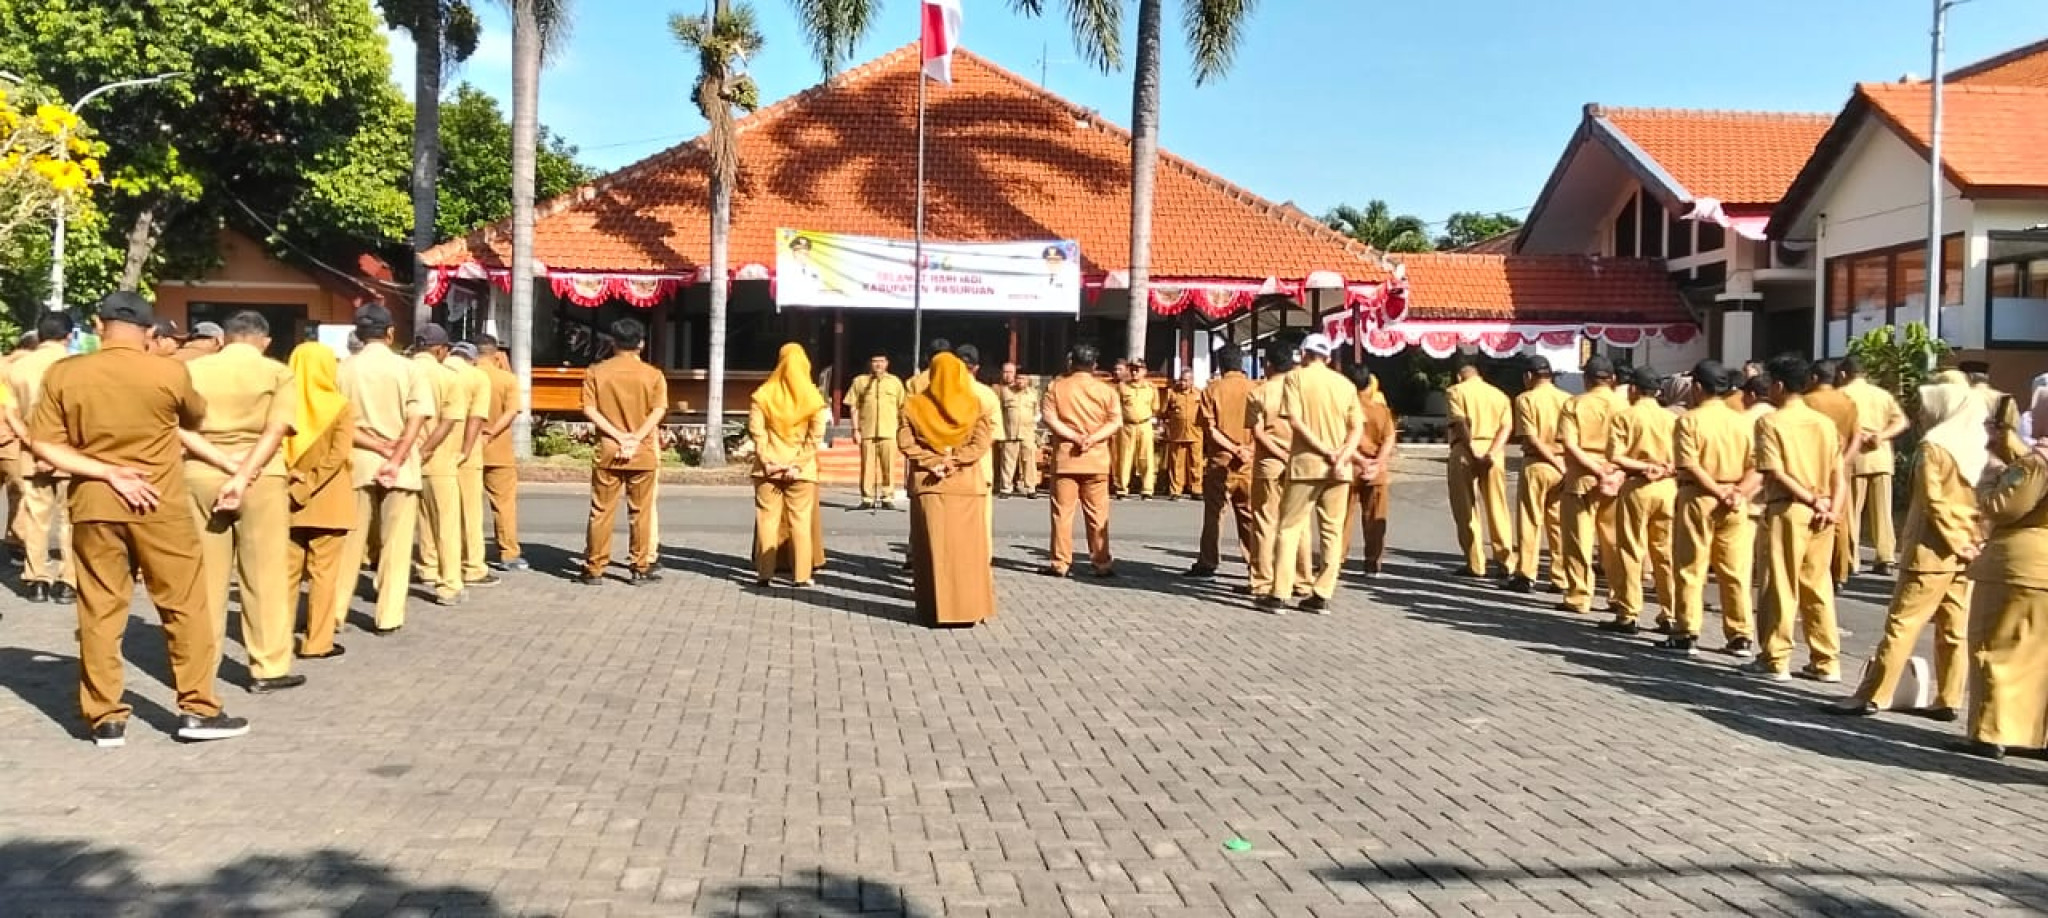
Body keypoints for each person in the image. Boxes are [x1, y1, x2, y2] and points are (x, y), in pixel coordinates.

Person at [30, 291, 249, 746]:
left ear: (98, 324)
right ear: (149, 331)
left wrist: (107, 471)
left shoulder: (64, 374)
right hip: (160, 505)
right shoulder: (168, 371)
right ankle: (198, 709)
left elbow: (45, 445)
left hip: (95, 504)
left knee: (100, 611)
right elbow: (195, 418)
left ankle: (105, 717)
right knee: (184, 607)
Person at [1826, 371, 1985, 719]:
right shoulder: (1978, 443)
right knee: (1954, 629)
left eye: (1928, 406)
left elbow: (1933, 501)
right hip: (1967, 552)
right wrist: (1974, 540)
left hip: (1931, 550)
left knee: (1902, 624)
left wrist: (1955, 541)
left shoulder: (1934, 447)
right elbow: (1989, 499)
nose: (1923, 414)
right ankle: (1949, 699)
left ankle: (1873, 695)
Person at [181, 311, 300, 693]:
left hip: (201, 472)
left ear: (224, 339)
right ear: (264, 341)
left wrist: (222, 462)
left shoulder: (193, 370)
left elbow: (177, 427)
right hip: (262, 476)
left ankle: (201, 667)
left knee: (204, 578)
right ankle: (268, 667)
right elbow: (277, 429)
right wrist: (244, 472)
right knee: (265, 574)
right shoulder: (277, 372)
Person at [1748, 353, 1847, 683]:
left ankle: (1775, 657)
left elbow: (1775, 472)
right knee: (1817, 585)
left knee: (1781, 583)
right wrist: (1832, 508)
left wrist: (1810, 500)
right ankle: (1826, 659)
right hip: (1823, 512)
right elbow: (1838, 474)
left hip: (1790, 508)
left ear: (1778, 385)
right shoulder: (1824, 424)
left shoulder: (1770, 422)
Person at [335, 305, 430, 634]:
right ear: (390, 332)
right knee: (397, 545)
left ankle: (335, 612)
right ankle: (388, 616)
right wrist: (396, 456)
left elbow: (338, 422)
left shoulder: (342, 370)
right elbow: (417, 418)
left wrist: (375, 446)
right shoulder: (409, 369)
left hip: (357, 461)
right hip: (400, 466)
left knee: (348, 543)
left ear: (358, 334)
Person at [1958, 413, 2048, 759]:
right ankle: (2032, 734)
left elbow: (2003, 507)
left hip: (2016, 565)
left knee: (1993, 648)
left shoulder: (2036, 463)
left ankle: (1990, 731)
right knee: (2037, 658)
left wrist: (1988, 479)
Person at [1265, 334, 1364, 614]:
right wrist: (1341, 455)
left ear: (1303, 354)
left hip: (1306, 465)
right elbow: (1357, 428)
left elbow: (1295, 422)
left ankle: (1280, 593)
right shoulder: (1345, 384)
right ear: (1328, 357)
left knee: (1289, 528)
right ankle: (1322, 593)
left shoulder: (1295, 378)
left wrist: (1324, 450)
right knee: (1332, 531)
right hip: (1339, 468)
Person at [1668, 360, 1760, 658]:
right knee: (1735, 569)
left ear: (1697, 387)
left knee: (1691, 566)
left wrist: (1716, 490)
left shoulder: (1689, 421)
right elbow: (1758, 466)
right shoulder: (1743, 422)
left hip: (1699, 497)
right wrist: (1738, 492)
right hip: (1735, 500)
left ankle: (1687, 631)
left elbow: (1689, 464)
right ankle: (1740, 634)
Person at [899, 352, 996, 626]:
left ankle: (934, 610)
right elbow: (981, 443)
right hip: (966, 485)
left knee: (933, 551)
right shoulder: (974, 404)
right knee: (968, 552)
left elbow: (905, 443)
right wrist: (955, 461)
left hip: (929, 485)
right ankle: (970, 610)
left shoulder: (913, 405)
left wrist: (933, 462)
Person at [282, 340, 356, 663]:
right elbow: (338, 455)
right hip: (329, 499)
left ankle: (278, 640)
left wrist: (292, 480)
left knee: (286, 575)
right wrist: (310, 484)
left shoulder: (281, 404)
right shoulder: (340, 406)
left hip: (287, 500)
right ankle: (318, 642)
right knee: (324, 575)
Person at [579, 318, 667, 586]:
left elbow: (589, 409)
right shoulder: (653, 375)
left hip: (608, 450)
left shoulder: (596, 372)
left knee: (601, 510)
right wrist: (635, 438)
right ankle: (640, 566)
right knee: (640, 512)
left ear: (613, 342)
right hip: (642, 452)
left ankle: (595, 567)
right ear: (641, 344)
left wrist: (617, 436)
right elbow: (659, 410)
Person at [1600, 365, 1680, 635]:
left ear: (1633, 389)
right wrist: (1664, 469)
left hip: (1637, 486)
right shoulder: (1671, 419)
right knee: (1665, 552)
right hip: (1667, 487)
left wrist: (1645, 467)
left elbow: (1615, 456)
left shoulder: (1625, 417)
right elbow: (1681, 457)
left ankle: (1629, 612)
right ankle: (1670, 613)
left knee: (1631, 550)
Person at [747, 342, 827, 587]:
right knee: (800, 523)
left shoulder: (762, 395)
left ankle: (764, 574)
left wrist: (768, 461)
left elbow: (757, 432)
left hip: (767, 469)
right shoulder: (814, 398)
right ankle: (801, 576)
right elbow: (815, 437)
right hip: (801, 471)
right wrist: (797, 465)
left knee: (767, 521)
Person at [10, 312, 77, 603]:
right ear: (69, 335)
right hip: (69, 452)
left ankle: (37, 578)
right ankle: (68, 580)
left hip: (31, 452)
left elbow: (11, 413)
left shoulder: (16, 368)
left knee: (36, 517)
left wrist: (35, 445)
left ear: (39, 335)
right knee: (70, 518)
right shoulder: (76, 366)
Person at [1041, 344, 1120, 578]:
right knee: (1098, 514)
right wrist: (1092, 439)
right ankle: (1101, 562)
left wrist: (1074, 437)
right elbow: (1115, 422)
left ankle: (1060, 562)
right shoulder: (1106, 391)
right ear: (1094, 365)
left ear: (1070, 362)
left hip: (1066, 458)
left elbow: (1049, 418)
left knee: (1062, 514)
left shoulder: (1056, 387)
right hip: (1096, 459)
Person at [1556, 356, 1628, 615]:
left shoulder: (1574, 404)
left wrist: (1595, 469)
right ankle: (1619, 595)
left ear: (1586, 379)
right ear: (1613, 379)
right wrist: (1612, 471)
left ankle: (1579, 596)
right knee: (1615, 541)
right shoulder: (1624, 406)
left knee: (1578, 541)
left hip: (1581, 478)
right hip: (1616, 477)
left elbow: (1570, 445)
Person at [1249, 342, 1314, 599]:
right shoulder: (1304, 392)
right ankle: (1302, 580)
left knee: (1265, 522)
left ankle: (1262, 581)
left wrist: (1279, 454)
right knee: (1300, 523)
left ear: (1268, 364)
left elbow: (1257, 433)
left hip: (1269, 464)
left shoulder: (1259, 393)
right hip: (1299, 462)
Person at [409, 324, 468, 606]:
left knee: (416, 521)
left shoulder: (403, 371)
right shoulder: (448, 377)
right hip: (438, 460)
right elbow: (449, 421)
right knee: (445, 524)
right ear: (440, 349)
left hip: (400, 457)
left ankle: (426, 568)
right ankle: (449, 585)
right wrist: (426, 449)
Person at [1188, 348, 1257, 579]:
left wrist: (1233, 449)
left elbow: (1210, 429)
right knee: (1249, 515)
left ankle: (1208, 562)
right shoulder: (1256, 389)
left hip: (1221, 462)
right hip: (1249, 463)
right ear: (1241, 364)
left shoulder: (1212, 390)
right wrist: (1248, 449)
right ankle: (1255, 564)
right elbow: (1265, 428)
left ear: (1220, 365)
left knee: (1215, 514)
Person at [1838, 356, 1910, 575]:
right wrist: (1881, 435)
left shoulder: (1842, 395)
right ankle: (1886, 557)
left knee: (1851, 512)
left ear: (1843, 374)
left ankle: (1851, 558)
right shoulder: (1882, 395)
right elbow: (1902, 421)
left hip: (1854, 457)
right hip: (1881, 456)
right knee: (1883, 512)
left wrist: (1860, 436)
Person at [1443, 356, 1513, 579]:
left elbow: (1460, 422)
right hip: (1493, 450)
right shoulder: (1499, 395)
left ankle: (1475, 563)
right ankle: (1506, 561)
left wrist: (1472, 449)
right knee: (1497, 506)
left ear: (1459, 377)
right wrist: (1492, 452)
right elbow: (1506, 427)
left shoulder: (1455, 392)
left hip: (1465, 450)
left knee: (1465, 508)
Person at [1509, 356, 1571, 594]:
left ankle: (1526, 574)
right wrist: (1562, 464)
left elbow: (1532, 438)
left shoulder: (1525, 399)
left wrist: (1551, 460)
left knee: (1529, 520)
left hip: (1537, 463)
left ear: (1528, 376)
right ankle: (1561, 576)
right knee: (1558, 523)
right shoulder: (1567, 399)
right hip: (1563, 464)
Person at [443, 342, 498, 589]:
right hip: (466, 451)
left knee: (433, 511)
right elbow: (476, 418)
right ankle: (472, 567)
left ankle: (431, 566)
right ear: (473, 359)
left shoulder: (434, 372)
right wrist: (466, 449)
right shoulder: (477, 377)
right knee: (469, 511)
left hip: (434, 448)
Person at [1802, 359, 1860, 586]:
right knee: (1839, 520)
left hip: (1812, 466)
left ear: (1814, 378)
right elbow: (1856, 437)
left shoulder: (1807, 401)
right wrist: (1843, 462)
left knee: (1813, 515)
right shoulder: (1848, 401)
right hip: (1841, 465)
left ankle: (1812, 569)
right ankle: (1840, 572)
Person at [476, 336, 527, 571]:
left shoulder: (466, 376)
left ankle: (468, 553)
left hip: (469, 448)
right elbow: (512, 411)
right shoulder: (507, 379)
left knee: (467, 504)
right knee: (504, 504)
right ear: (496, 354)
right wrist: (492, 432)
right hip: (500, 450)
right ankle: (509, 554)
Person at [1344, 366, 1398, 577]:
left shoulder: (1344, 408)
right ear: (1369, 385)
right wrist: (1377, 462)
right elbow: (1390, 438)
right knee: (1375, 518)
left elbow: (1341, 438)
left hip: (1349, 467)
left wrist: (1359, 460)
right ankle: (1373, 563)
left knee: (1341, 518)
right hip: (1376, 470)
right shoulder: (1381, 410)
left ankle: (1336, 559)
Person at [846, 351, 906, 510]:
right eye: (875, 361)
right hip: (867, 431)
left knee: (889, 466)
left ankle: (887, 497)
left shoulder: (895, 382)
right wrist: (855, 429)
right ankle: (867, 498)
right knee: (867, 466)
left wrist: (902, 430)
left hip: (889, 431)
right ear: (870, 363)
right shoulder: (860, 382)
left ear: (887, 363)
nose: (878, 365)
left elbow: (902, 408)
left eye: (881, 361)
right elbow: (854, 407)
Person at [1962, 360, 2028, 467]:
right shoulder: (2005, 399)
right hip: (1998, 460)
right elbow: (2013, 432)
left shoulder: (1960, 398)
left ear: (1967, 377)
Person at [996, 362, 1041, 498]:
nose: (1020, 381)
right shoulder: (1006, 392)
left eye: (1023, 378)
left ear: (1028, 380)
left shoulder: (1033, 394)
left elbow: (1037, 412)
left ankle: (1031, 488)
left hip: (1027, 433)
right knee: (1008, 461)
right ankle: (1006, 488)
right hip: (1010, 432)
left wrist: (1034, 421)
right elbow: (999, 412)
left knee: (1029, 461)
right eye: (1018, 378)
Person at [1116, 362, 1160, 499]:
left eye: (1137, 370)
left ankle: (1147, 489)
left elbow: (1155, 407)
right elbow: (1116, 406)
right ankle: (1122, 489)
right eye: (1132, 370)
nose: (1134, 373)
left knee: (1146, 457)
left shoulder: (1151, 388)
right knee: (1124, 458)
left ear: (1144, 371)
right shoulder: (1122, 387)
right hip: (1127, 426)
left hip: (1144, 424)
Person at [1161, 370, 1204, 500]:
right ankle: (1176, 490)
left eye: (1185, 380)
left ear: (1191, 381)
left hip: (1195, 433)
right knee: (1176, 464)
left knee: (1196, 463)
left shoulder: (1199, 394)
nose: (1182, 383)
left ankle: (1196, 489)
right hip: (1177, 434)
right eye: (1181, 379)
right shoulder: (1172, 393)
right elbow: (1164, 412)